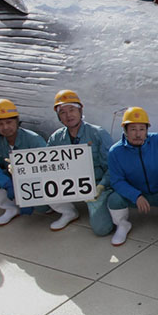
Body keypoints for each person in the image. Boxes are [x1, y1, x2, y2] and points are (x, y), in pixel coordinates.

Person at [0, 97, 76, 229]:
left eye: (9, 122)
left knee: (41, 207)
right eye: (0, 124)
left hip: (35, 181)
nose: (5, 127)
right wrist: (7, 183)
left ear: (17, 121)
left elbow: (49, 170)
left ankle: (68, 211)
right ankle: (12, 208)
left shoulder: (33, 140)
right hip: (11, 180)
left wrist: (23, 179)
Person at [106, 106, 158, 246]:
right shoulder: (115, 152)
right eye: (133, 129)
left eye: (142, 129)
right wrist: (136, 195)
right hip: (136, 194)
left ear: (147, 130)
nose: (138, 134)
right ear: (125, 130)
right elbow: (117, 181)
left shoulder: (157, 141)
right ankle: (123, 225)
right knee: (114, 200)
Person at [47, 89, 114, 234]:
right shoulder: (56, 138)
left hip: (96, 185)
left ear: (80, 110)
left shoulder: (98, 133)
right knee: (44, 191)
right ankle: (68, 212)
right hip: (68, 183)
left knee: (101, 229)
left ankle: (104, 204)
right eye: (63, 112)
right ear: (58, 116)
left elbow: (112, 167)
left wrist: (101, 186)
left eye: (72, 109)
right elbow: (44, 165)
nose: (68, 115)